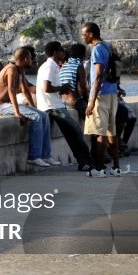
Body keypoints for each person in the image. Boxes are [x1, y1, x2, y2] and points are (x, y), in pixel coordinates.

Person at [0, 47, 53, 168]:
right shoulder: (11, 69)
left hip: (8, 104)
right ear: (25, 59)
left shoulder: (20, 70)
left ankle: (46, 155)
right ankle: (34, 157)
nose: (32, 61)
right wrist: (17, 112)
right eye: (30, 59)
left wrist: (33, 106)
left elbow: (25, 90)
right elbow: (11, 90)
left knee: (44, 115)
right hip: (1, 106)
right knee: (36, 117)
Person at [35, 42, 92, 171]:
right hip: (53, 107)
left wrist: (60, 89)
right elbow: (47, 87)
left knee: (72, 133)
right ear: (55, 52)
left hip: (53, 104)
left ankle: (85, 161)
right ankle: (85, 162)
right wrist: (63, 87)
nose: (64, 53)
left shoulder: (51, 66)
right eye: (61, 50)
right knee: (75, 132)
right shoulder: (50, 66)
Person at [81, 23, 121, 177]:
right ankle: (116, 167)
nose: (83, 37)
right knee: (112, 132)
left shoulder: (97, 49)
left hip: (101, 94)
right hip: (112, 93)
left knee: (99, 132)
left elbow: (98, 75)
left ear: (91, 34)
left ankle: (99, 168)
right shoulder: (108, 46)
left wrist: (91, 101)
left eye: (84, 34)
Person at [59, 43, 88, 122]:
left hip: (63, 101)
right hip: (74, 102)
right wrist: (88, 101)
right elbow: (83, 88)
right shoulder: (79, 65)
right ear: (83, 55)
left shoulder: (63, 66)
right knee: (95, 116)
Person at [115, 86, 137, 158]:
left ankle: (123, 144)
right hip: (108, 98)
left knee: (132, 118)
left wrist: (120, 91)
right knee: (122, 114)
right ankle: (118, 145)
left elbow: (116, 86)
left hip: (117, 99)